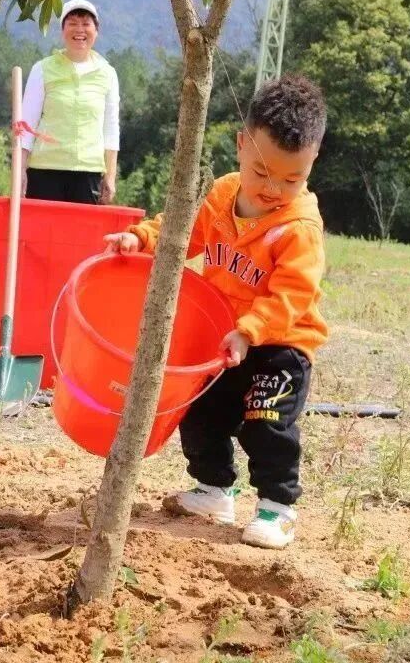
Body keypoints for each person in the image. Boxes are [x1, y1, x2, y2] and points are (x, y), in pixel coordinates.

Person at [103, 75, 329, 550]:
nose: (273, 189)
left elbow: (292, 296)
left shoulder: (299, 228)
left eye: (292, 179)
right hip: (225, 338)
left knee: (267, 421)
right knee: (202, 413)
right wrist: (141, 238)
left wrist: (250, 331)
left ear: (312, 162)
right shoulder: (223, 194)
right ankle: (214, 490)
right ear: (242, 145)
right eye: (262, 171)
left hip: (280, 345)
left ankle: (277, 507)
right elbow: (181, 231)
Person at [20, 0, 119, 205]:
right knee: (43, 226)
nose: (79, 30)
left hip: (88, 172)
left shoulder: (107, 73)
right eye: (72, 23)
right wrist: (19, 170)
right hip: (45, 170)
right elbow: (26, 125)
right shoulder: (43, 69)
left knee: (83, 227)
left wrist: (110, 175)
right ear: (62, 30)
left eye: (86, 24)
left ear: (96, 31)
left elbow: (111, 128)